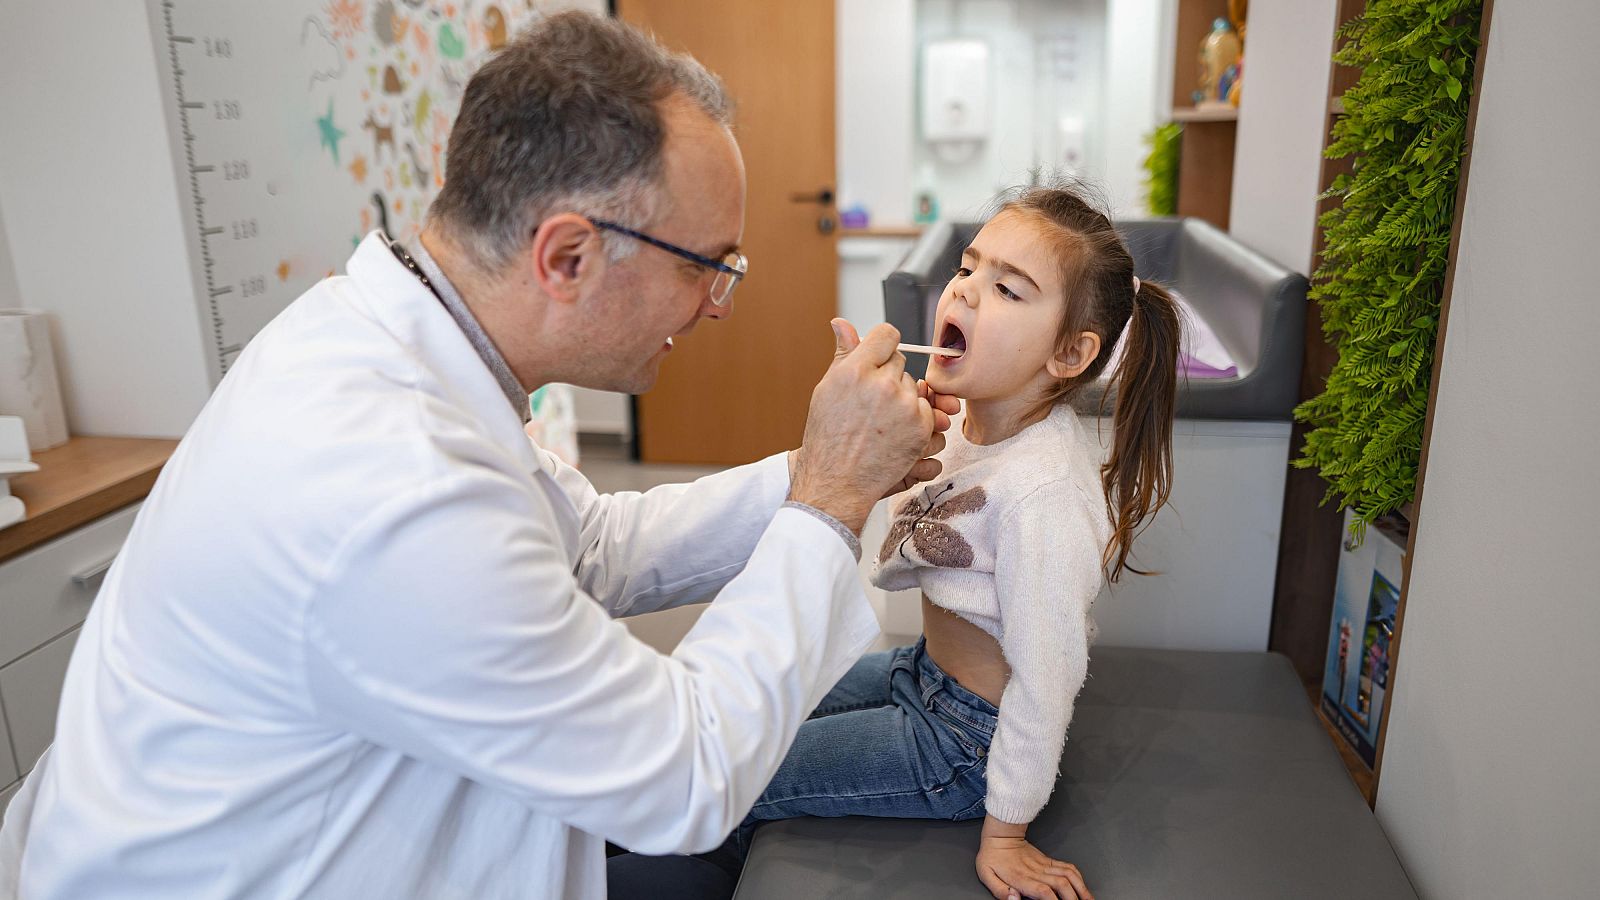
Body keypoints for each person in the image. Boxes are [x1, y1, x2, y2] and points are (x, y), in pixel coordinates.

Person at [0, 12, 959, 899]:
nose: (716, 305)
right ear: (568, 255)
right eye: (705, 267)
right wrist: (828, 499)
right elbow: (684, 775)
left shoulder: (400, 340)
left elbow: (586, 547)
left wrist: (819, 472)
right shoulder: (386, 479)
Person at [623, 184, 1182, 900]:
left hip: (960, 746)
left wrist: (1005, 832)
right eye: (968, 268)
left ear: (1070, 353)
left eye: (1008, 290)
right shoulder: (968, 426)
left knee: (736, 774)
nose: (968, 295)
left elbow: (1048, 681)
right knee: (746, 717)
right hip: (920, 677)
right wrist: (875, 447)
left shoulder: (1042, 496)